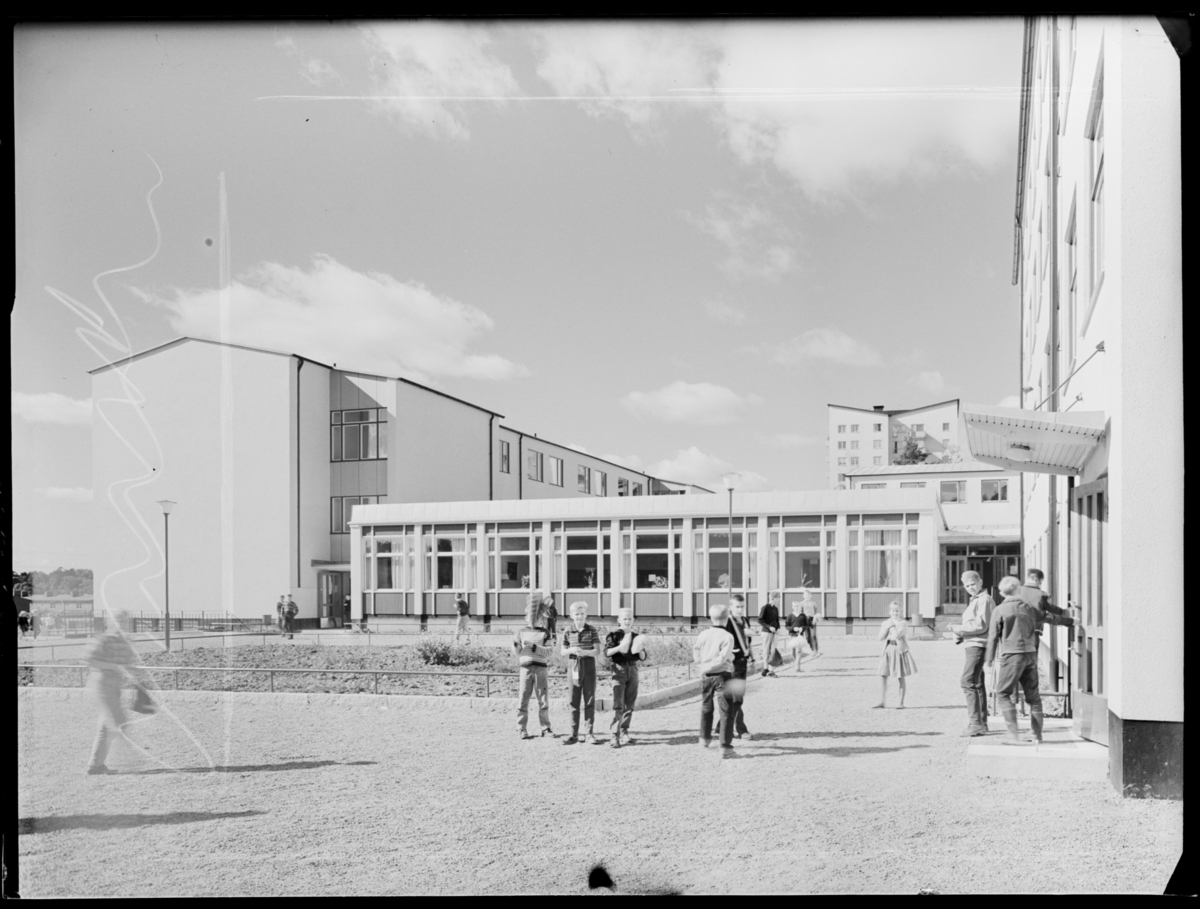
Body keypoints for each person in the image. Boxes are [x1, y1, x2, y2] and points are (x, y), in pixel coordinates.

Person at [83, 610, 151, 775]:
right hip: (102, 683)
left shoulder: (126, 641)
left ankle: (95, 765)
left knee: (107, 725)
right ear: (109, 621)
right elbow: (89, 660)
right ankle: (132, 761)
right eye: (119, 620)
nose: (123, 623)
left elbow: (126, 664)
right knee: (118, 721)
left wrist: (138, 674)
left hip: (116, 685)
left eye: (125, 620)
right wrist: (114, 667)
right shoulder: (103, 639)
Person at [986, 576, 1044, 745]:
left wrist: (988, 660)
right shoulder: (1029, 608)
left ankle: (1013, 735)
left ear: (1001, 592)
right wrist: (1070, 620)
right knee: (1034, 696)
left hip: (1012, 655)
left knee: (1003, 693)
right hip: (1031, 654)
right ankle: (1036, 734)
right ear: (1019, 590)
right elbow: (1048, 618)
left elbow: (992, 637)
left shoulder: (1000, 610)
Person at [950, 571, 994, 737]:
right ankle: (981, 722)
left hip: (978, 646)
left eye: (973, 584)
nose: (970, 588)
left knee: (967, 681)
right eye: (967, 586)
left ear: (980, 581)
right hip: (974, 644)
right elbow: (975, 626)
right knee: (977, 683)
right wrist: (960, 634)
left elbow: (981, 626)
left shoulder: (984, 600)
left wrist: (959, 629)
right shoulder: (976, 600)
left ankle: (976, 724)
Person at [693, 602, 737, 756]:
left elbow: (696, 650)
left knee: (706, 707)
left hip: (706, 677)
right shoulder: (727, 636)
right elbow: (722, 657)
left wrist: (701, 665)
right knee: (726, 711)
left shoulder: (703, 634)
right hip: (722, 676)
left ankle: (704, 738)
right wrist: (712, 665)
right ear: (727, 619)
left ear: (711, 618)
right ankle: (725, 746)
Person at [561, 602, 603, 745]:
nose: (579, 616)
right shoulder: (567, 631)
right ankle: (573, 734)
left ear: (586, 614)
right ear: (572, 615)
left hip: (588, 665)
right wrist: (571, 650)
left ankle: (589, 734)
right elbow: (562, 651)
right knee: (574, 700)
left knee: (589, 700)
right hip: (573, 666)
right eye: (576, 614)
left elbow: (597, 651)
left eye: (582, 614)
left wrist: (585, 652)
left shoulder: (592, 630)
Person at [512, 597, 554, 740]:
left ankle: (545, 727)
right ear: (526, 618)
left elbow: (549, 651)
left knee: (543, 700)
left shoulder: (545, 633)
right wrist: (515, 647)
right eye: (532, 617)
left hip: (541, 669)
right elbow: (518, 653)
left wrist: (534, 646)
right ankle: (521, 727)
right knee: (523, 698)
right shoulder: (521, 632)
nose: (535, 620)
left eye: (538, 617)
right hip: (525, 669)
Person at [605, 608, 646, 748]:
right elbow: (607, 652)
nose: (627, 621)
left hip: (633, 668)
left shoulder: (636, 636)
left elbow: (643, 657)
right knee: (618, 704)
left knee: (630, 704)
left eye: (629, 618)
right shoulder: (613, 635)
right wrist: (620, 647)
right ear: (619, 620)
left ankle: (624, 732)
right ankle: (614, 735)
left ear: (633, 620)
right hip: (619, 669)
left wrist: (641, 649)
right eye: (624, 618)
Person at [875, 601, 916, 708]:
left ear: (900, 611)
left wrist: (891, 626)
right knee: (883, 675)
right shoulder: (886, 622)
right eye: (893, 611)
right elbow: (880, 637)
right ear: (890, 612)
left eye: (897, 610)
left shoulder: (903, 623)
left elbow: (897, 635)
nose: (895, 613)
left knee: (900, 676)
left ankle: (901, 703)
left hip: (899, 651)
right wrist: (886, 627)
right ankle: (882, 702)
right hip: (888, 649)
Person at [725, 594, 754, 740]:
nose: (740, 610)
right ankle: (741, 729)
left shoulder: (745, 620)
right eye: (737, 607)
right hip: (733, 664)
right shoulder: (727, 622)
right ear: (730, 607)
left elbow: (748, 642)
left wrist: (753, 659)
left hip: (743, 662)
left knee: (738, 698)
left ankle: (721, 725)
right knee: (737, 698)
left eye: (742, 607)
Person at [757, 593, 782, 677]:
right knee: (766, 651)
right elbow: (760, 620)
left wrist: (778, 628)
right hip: (766, 632)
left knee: (773, 651)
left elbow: (777, 620)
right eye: (778, 598)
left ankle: (770, 670)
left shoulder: (775, 608)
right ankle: (765, 668)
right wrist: (769, 627)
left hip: (774, 633)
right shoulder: (765, 607)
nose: (779, 600)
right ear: (773, 598)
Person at [785, 600, 810, 672]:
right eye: (795, 606)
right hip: (792, 635)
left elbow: (807, 625)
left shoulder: (803, 615)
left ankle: (797, 667)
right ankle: (796, 663)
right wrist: (793, 628)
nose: (796, 607)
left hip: (800, 636)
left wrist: (802, 628)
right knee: (793, 652)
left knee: (799, 651)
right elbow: (786, 626)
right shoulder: (790, 616)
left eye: (798, 606)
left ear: (800, 606)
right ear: (792, 607)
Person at [802, 593, 821, 658]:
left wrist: (815, 618)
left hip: (812, 620)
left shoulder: (813, 603)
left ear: (810, 596)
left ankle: (816, 650)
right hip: (805, 620)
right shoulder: (801, 603)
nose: (807, 596)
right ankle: (811, 649)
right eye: (806, 595)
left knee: (813, 636)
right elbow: (800, 613)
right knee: (807, 637)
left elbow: (817, 612)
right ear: (803, 596)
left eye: (808, 595)